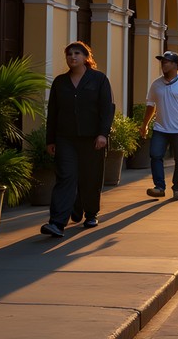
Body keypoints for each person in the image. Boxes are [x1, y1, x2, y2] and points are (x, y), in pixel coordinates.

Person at [41, 42, 115, 238]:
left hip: (92, 139)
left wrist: (103, 134)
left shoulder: (99, 79)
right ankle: (57, 223)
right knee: (66, 177)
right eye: (69, 54)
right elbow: (53, 112)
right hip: (65, 138)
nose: (72, 57)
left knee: (90, 177)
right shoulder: (60, 82)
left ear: (86, 57)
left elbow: (107, 108)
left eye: (77, 53)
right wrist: (50, 140)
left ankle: (90, 213)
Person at [140, 51, 178, 200]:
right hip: (160, 128)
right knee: (155, 155)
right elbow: (150, 106)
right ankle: (159, 187)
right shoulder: (156, 84)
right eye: (162, 62)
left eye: (166, 62)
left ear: (175, 65)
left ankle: (177, 188)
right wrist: (145, 124)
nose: (163, 65)